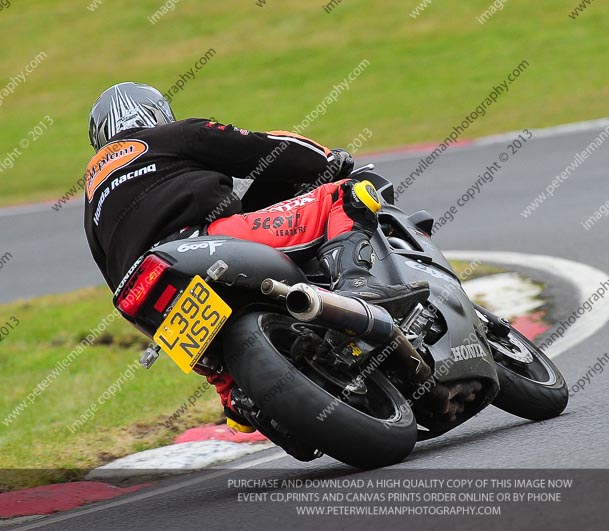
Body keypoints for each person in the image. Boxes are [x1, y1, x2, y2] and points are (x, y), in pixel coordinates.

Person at [84, 82, 428, 431]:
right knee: (345, 195)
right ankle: (357, 283)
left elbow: (109, 270)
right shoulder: (172, 135)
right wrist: (326, 159)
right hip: (204, 241)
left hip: (142, 288)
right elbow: (261, 148)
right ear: (155, 112)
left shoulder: (91, 199)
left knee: (210, 360)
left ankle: (235, 395)